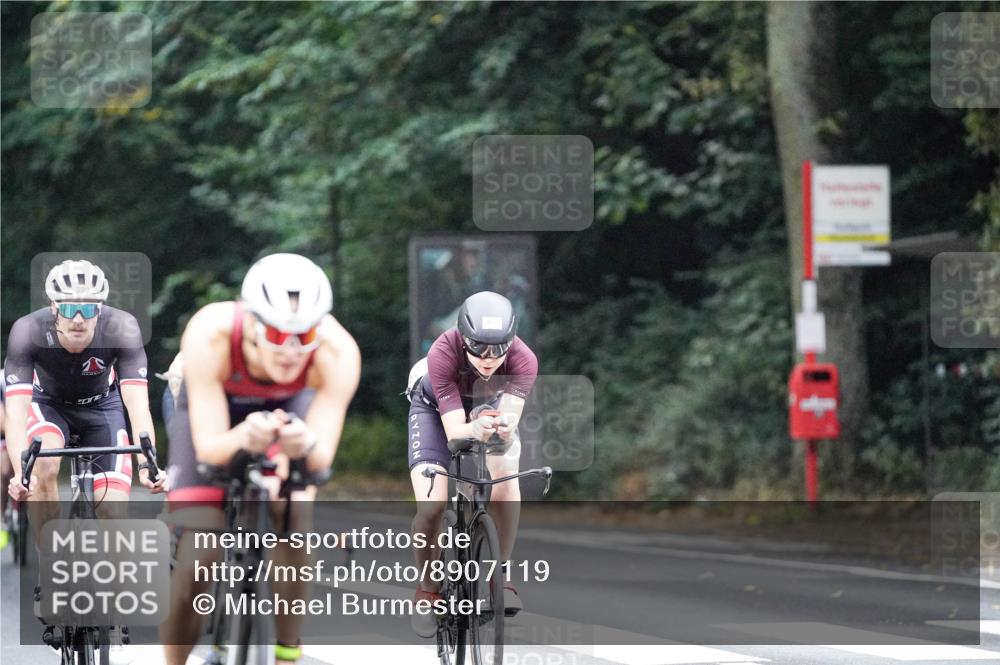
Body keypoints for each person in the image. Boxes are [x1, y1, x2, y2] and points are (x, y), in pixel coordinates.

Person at [160, 253, 360, 665]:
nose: (289, 351)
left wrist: (302, 445)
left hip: (291, 407)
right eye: (276, 334)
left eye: (303, 338)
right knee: (200, 556)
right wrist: (241, 438)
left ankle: (287, 647)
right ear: (252, 324)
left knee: (295, 515)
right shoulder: (210, 333)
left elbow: (320, 462)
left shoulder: (338, 354)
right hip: (218, 411)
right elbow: (212, 448)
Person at [406, 291, 538, 637]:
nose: (488, 358)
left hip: (486, 407)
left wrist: (503, 428)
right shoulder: (443, 353)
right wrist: (474, 429)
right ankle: (428, 590)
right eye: (478, 347)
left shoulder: (524, 360)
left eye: (498, 348)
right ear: (462, 337)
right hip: (435, 412)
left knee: (507, 476)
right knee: (432, 506)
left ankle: (500, 575)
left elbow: (508, 422)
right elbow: (454, 434)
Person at [5, 259, 167, 508]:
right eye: (70, 309)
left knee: (112, 515)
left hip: (102, 407)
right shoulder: (28, 332)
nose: (79, 319)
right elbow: (15, 415)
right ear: (54, 308)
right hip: (48, 405)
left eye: (88, 309)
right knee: (43, 465)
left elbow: (138, 407)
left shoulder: (122, 329)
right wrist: (21, 474)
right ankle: (48, 544)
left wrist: (147, 465)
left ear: (100, 310)